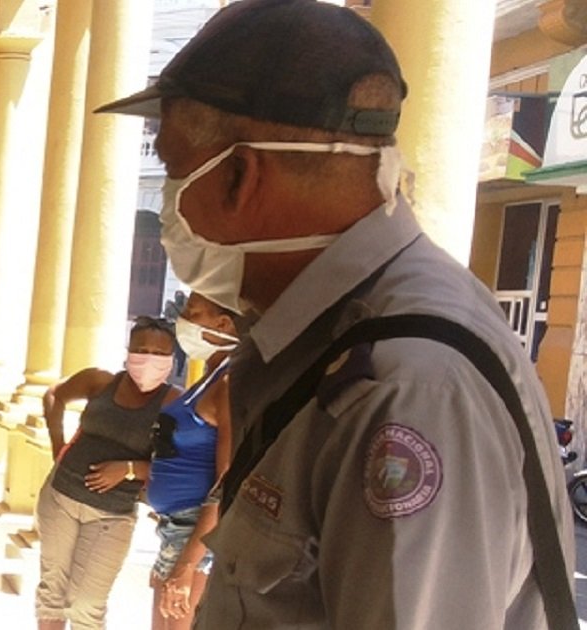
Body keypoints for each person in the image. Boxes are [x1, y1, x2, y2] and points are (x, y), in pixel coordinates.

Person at [98, 0, 574, 627]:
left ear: (240, 177)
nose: (167, 201)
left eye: (172, 168)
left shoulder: (407, 387)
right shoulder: (320, 340)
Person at [35, 316, 181, 630]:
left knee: (87, 605)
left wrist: (130, 468)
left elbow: (181, 464)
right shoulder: (101, 382)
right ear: (128, 351)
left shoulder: (173, 402)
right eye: (141, 349)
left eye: (159, 353)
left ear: (172, 359)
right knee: (52, 592)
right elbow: (54, 395)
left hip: (113, 515)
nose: (149, 359)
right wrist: (58, 445)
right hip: (61, 498)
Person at [147, 293, 240, 630]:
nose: (182, 318)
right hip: (175, 528)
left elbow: (226, 478)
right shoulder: (208, 378)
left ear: (223, 324)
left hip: (194, 534)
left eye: (193, 311)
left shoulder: (227, 385)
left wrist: (188, 564)